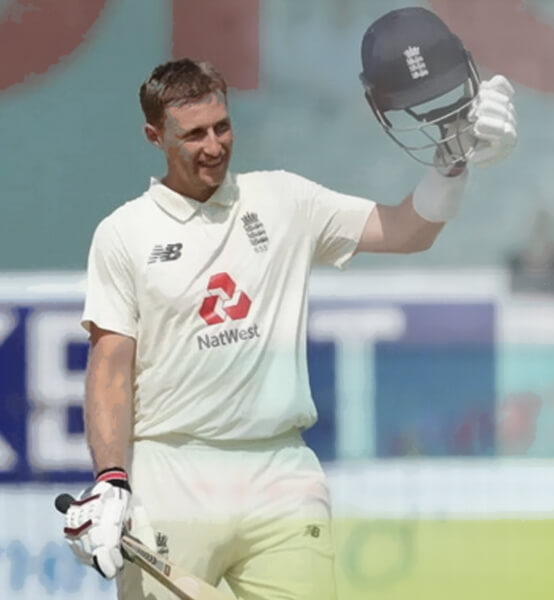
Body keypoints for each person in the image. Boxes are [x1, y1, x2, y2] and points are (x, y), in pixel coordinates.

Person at [59, 7, 517, 600]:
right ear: (155, 137)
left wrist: (455, 159)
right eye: (193, 135)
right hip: (170, 475)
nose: (214, 145)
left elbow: (407, 230)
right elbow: (110, 368)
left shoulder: (283, 199)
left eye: (221, 127)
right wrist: (111, 481)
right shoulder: (124, 233)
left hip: (280, 470)